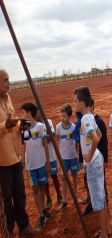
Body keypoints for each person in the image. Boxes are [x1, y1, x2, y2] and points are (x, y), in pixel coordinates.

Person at [0, 69, 38, 236]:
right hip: (2, 161)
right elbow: (5, 125)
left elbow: (12, 121)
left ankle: (24, 226)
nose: (9, 83)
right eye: (5, 80)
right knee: (6, 201)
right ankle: (9, 230)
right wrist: (6, 125)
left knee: (20, 194)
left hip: (15, 155)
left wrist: (19, 125)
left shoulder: (7, 98)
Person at [74, 86, 112, 238]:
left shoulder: (85, 118)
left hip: (93, 162)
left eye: (76, 101)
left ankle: (103, 233)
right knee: (100, 197)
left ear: (82, 102)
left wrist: (88, 156)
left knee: (97, 200)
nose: (74, 103)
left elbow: (96, 138)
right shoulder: (90, 116)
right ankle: (107, 228)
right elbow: (100, 133)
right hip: (97, 159)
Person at [20, 102, 52, 229]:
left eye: (23, 112)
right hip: (30, 165)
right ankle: (41, 215)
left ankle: (43, 210)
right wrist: (23, 163)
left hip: (41, 163)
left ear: (29, 112)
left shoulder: (40, 127)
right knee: (35, 189)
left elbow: (45, 145)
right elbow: (23, 146)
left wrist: (48, 162)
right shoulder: (22, 129)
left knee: (42, 187)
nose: (22, 115)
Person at [55, 103, 80, 212]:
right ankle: (64, 200)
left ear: (70, 116)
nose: (62, 118)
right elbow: (57, 141)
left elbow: (76, 143)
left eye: (64, 116)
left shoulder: (74, 127)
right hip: (63, 158)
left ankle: (75, 197)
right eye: (61, 116)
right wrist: (58, 157)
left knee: (74, 176)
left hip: (73, 157)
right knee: (64, 178)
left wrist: (77, 155)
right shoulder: (58, 127)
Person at [36, 111, 62, 210]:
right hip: (41, 158)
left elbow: (51, 137)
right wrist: (44, 138)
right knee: (45, 179)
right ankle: (48, 199)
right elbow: (47, 137)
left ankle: (59, 195)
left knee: (54, 175)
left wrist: (41, 139)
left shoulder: (48, 122)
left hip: (51, 156)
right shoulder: (34, 125)